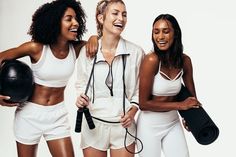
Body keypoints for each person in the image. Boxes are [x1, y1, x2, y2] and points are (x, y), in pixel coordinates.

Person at [0, 0, 97, 156]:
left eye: (76, 19)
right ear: (54, 22)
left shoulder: (76, 48)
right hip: (29, 115)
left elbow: (97, 44)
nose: (75, 23)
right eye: (69, 19)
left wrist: (93, 37)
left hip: (57, 116)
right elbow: (1, 58)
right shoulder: (36, 48)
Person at [75, 0, 144, 157]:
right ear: (101, 18)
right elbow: (81, 84)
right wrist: (80, 98)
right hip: (93, 125)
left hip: (124, 127)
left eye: (124, 14)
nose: (121, 18)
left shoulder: (136, 52)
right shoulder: (87, 52)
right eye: (115, 13)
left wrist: (133, 111)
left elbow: (140, 90)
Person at [136, 14, 201, 157]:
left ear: (175, 33)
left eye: (166, 31)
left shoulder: (185, 61)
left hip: (172, 123)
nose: (160, 36)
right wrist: (180, 105)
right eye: (156, 31)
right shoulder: (151, 60)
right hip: (149, 125)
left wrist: (192, 118)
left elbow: (191, 98)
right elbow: (143, 104)